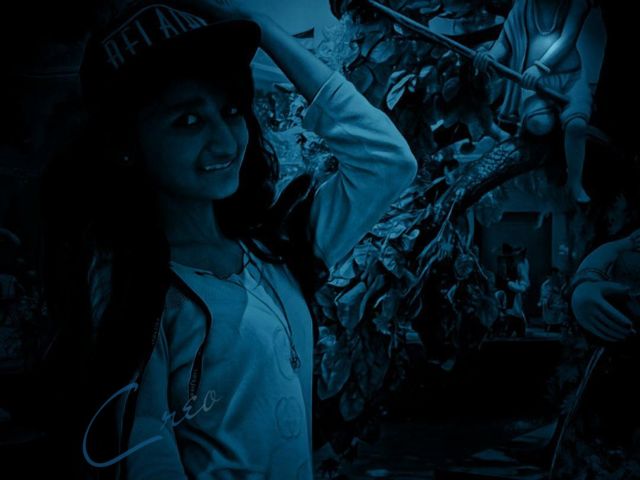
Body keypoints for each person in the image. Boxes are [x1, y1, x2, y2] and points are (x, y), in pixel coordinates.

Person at [40, 0, 418, 478]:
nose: (225, 141)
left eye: (231, 110)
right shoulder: (137, 286)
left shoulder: (273, 251)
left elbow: (388, 162)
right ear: (124, 144)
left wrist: (264, 30)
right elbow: (145, 451)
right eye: (188, 121)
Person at [474, 0, 596, 203]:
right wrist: (490, 57)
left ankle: (574, 182)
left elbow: (567, 39)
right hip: (535, 84)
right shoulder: (523, 6)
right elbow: (504, 43)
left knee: (576, 125)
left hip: (570, 78)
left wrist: (541, 66)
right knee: (539, 124)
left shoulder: (575, 4)